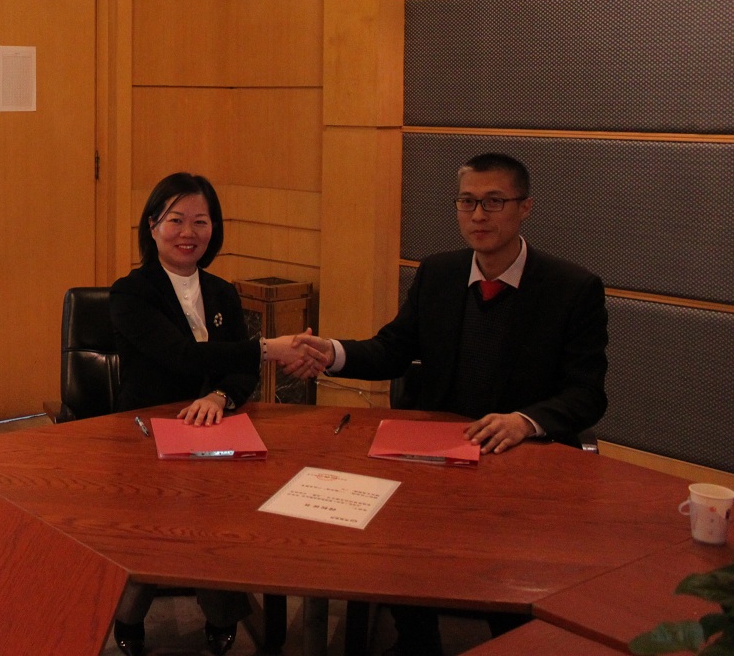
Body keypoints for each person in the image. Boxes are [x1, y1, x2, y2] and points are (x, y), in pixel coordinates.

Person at [294, 152, 610, 656]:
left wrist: (525, 422)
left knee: (506, 582)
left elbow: (586, 393)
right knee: (396, 536)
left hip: (519, 461)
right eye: (467, 202)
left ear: (525, 207)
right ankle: (417, 641)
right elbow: (394, 349)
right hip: (436, 455)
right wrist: (332, 353)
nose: (478, 215)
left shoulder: (572, 288)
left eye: (494, 202)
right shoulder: (439, 273)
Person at [109, 172, 321, 656]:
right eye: (175, 220)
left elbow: (239, 372)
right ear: (152, 226)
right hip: (146, 433)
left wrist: (220, 397)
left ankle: (221, 612)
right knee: (161, 523)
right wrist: (266, 348)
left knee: (220, 518)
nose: (188, 233)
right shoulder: (130, 293)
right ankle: (128, 615)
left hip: (215, 430)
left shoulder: (223, 292)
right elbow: (181, 356)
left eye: (201, 222)